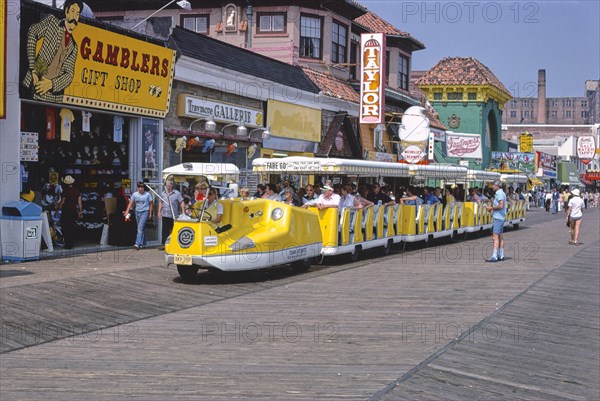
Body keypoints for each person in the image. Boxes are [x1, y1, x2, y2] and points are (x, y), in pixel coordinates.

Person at [22, 0, 83, 103]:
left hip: (55, 97)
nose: (74, 17)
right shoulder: (52, 23)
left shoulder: (74, 46)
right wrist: (33, 68)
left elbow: (69, 74)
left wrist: (51, 84)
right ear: (66, 12)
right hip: (35, 85)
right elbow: (32, 32)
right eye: (72, 11)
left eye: (77, 14)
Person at [124, 182, 153, 250]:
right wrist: (127, 211)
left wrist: (150, 213)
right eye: (140, 187)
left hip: (145, 212)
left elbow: (151, 204)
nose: (141, 189)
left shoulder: (147, 195)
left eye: (142, 187)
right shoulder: (135, 194)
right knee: (141, 228)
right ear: (138, 188)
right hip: (137, 212)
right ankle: (143, 243)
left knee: (140, 228)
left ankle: (137, 244)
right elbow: (131, 203)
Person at [157, 180, 184, 249]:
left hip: (174, 215)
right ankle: (164, 245)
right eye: (167, 185)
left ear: (172, 186)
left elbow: (181, 202)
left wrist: (183, 212)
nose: (168, 186)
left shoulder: (177, 193)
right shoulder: (163, 193)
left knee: (173, 230)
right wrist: (159, 212)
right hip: (165, 214)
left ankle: (174, 245)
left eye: (169, 185)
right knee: (164, 230)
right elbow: (161, 203)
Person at [485, 179, 507, 262]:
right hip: (500, 217)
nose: (492, 186)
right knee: (500, 236)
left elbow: (501, 206)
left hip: (498, 217)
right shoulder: (501, 193)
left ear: (497, 185)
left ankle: (494, 256)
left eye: (493, 185)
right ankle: (501, 255)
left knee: (495, 237)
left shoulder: (500, 193)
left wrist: (491, 208)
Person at [59, 175, 82, 249]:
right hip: (74, 211)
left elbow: (62, 201)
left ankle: (67, 244)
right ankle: (71, 243)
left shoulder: (65, 191)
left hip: (66, 211)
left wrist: (58, 208)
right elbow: (79, 202)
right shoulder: (77, 191)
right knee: (72, 227)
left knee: (65, 227)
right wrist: (80, 211)